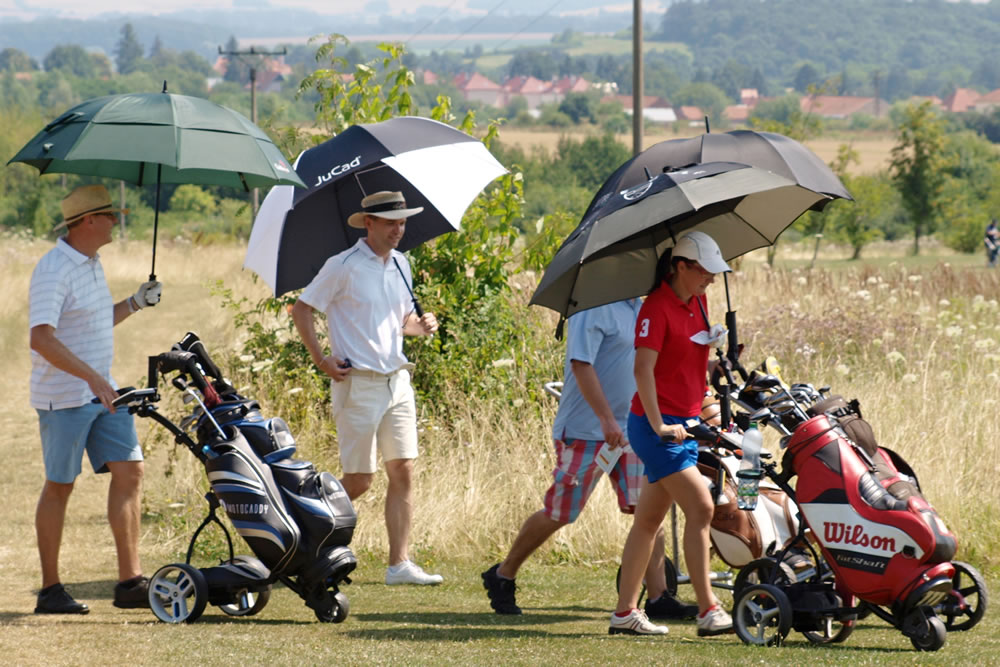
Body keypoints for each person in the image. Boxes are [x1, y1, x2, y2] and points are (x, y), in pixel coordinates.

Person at [482, 300, 698, 620]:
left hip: (634, 428)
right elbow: (581, 364)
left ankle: (657, 597)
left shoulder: (643, 308)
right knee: (561, 512)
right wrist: (606, 419)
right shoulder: (592, 307)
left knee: (648, 508)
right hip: (586, 431)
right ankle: (503, 574)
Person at [292, 190, 443, 586]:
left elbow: (401, 321)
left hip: (398, 380)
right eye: (392, 222)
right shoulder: (342, 266)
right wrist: (320, 359)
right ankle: (298, 536)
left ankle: (399, 565)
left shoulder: (402, 264)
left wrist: (420, 326)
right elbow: (302, 308)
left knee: (403, 470)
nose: (399, 229)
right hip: (357, 383)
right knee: (359, 480)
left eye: (403, 221)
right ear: (369, 223)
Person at [29, 184, 163, 614]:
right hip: (64, 398)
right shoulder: (53, 270)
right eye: (110, 216)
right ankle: (50, 591)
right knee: (60, 487)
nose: (116, 222)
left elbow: (96, 322)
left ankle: (130, 583)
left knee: (131, 471)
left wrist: (136, 303)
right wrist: (90, 377)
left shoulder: (91, 263)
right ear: (89, 221)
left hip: (101, 391)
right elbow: (41, 338)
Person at [610, 230, 734, 637]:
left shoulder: (698, 301)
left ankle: (624, 613)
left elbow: (687, 362)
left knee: (648, 521)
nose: (711, 279)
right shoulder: (655, 309)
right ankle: (708, 610)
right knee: (701, 507)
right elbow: (642, 370)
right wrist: (661, 423)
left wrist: (717, 365)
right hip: (656, 428)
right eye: (705, 271)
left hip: (685, 426)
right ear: (681, 267)